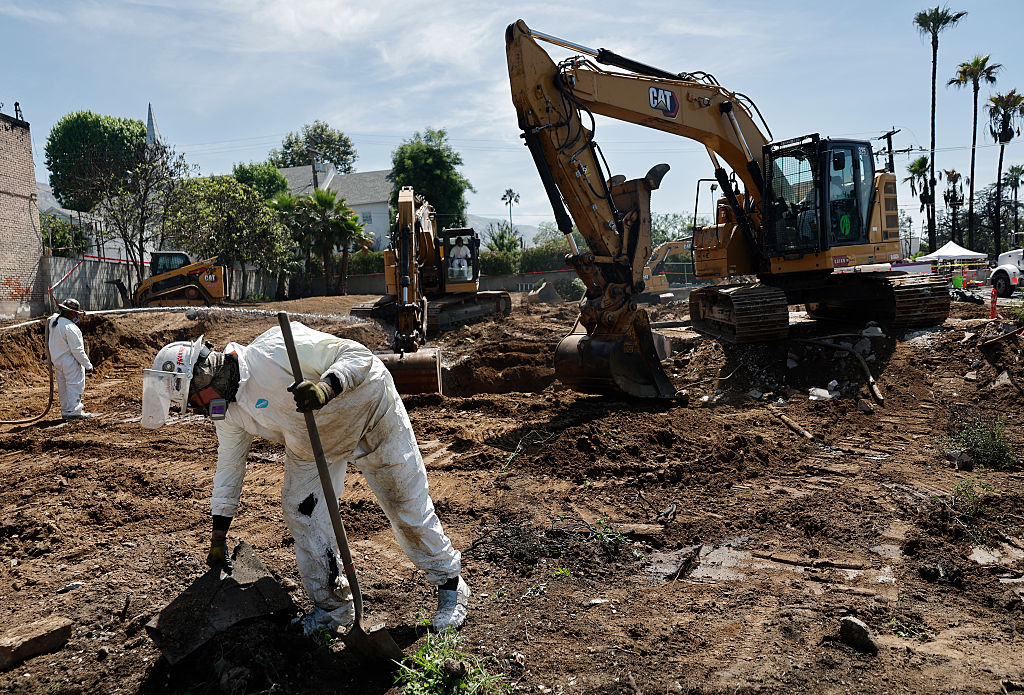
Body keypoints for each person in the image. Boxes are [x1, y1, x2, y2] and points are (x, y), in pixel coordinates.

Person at [140, 322, 469, 635]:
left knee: (404, 505)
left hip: (368, 409)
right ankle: (334, 608)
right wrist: (218, 534)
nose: (196, 411)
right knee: (301, 510)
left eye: (192, 402)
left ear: (203, 378)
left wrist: (326, 387)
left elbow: (359, 356)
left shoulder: (274, 348)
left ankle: (451, 584)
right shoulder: (227, 412)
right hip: (312, 442)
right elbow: (229, 468)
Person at [48, 298, 96, 421]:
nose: (77, 316)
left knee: (63, 386)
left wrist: (76, 312)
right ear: (69, 313)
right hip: (70, 361)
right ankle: (74, 411)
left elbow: (55, 316)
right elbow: (77, 350)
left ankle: (66, 411)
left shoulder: (54, 321)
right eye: (75, 313)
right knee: (75, 385)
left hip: (57, 360)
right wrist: (88, 365)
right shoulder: (71, 327)